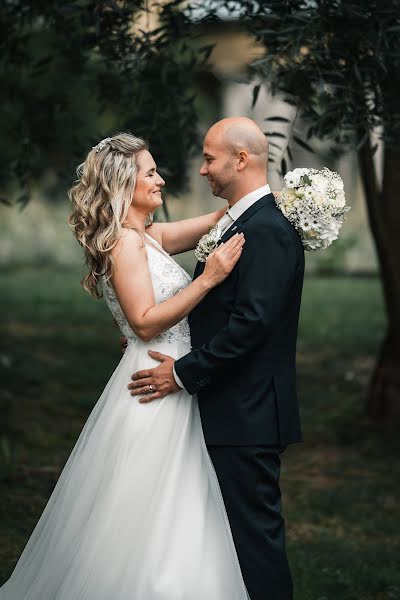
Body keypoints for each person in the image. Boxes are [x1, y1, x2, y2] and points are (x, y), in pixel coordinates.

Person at [0, 132, 250, 599]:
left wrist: (281, 196)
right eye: (150, 173)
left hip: (172, 374)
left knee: (174, 496)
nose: (161, 179)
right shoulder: (122, 245)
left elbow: (219, 218)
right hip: (153, 376)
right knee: (144, 498)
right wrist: (210, 278)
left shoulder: (148, 237)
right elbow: (144, 323)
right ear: (123, 185)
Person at [128, 117, 305, 600]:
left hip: (247, 411)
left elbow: (252, 324)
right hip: (230, 405)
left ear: (241, 159)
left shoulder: (266, 228)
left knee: (254, 540)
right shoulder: (240, 221)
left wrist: (182, 373)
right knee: (225, 542)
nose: (202, 169)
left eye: (209, 158)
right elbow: (222, 310)